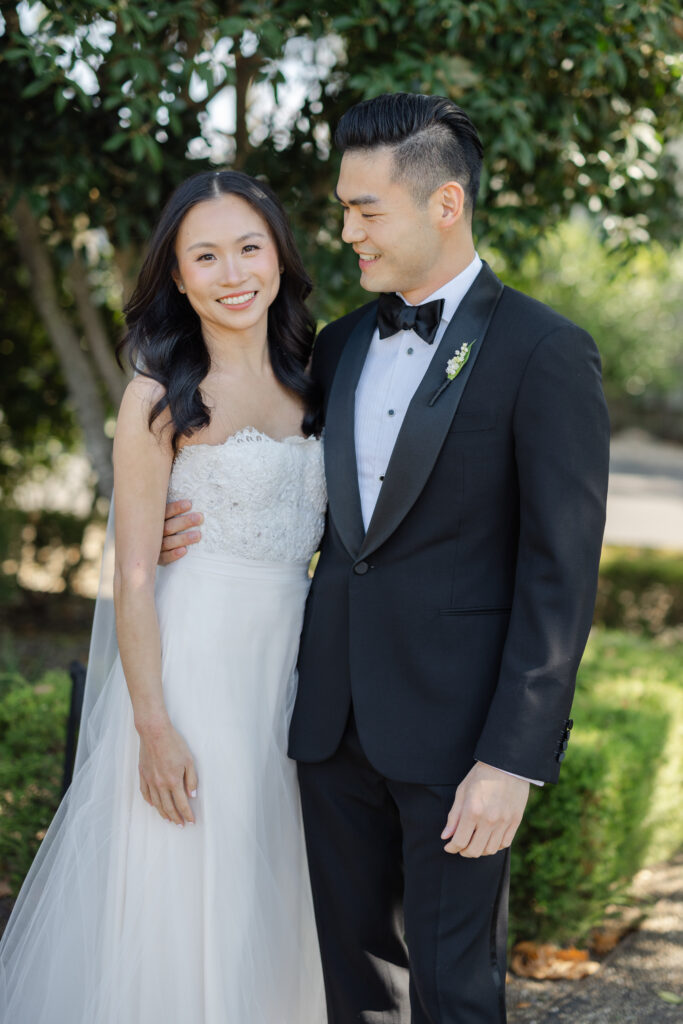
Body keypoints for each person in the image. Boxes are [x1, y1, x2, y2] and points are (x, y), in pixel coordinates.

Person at [162, 94, 610, 1023]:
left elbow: (559, 578)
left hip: (459, 745)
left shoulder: (546, 352)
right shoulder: (336, 347)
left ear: (444, 204)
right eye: (340, 207)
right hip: (328, 729)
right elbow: (281, 476)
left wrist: (511, 762)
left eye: (365, 209)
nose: (344, 230)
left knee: (453, 992)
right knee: (354, 989)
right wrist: (170, 519)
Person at [0, 170, 327, 1023]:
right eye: (206, 256)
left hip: (296, 672)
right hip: (194, 674)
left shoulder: (321, 380)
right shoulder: (155, 400)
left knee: (276, 883)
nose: (233, 273)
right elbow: (134, 576)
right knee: (192, 885)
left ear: (281, 259)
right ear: (177, 278)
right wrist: (152, 726)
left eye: (249, 248)